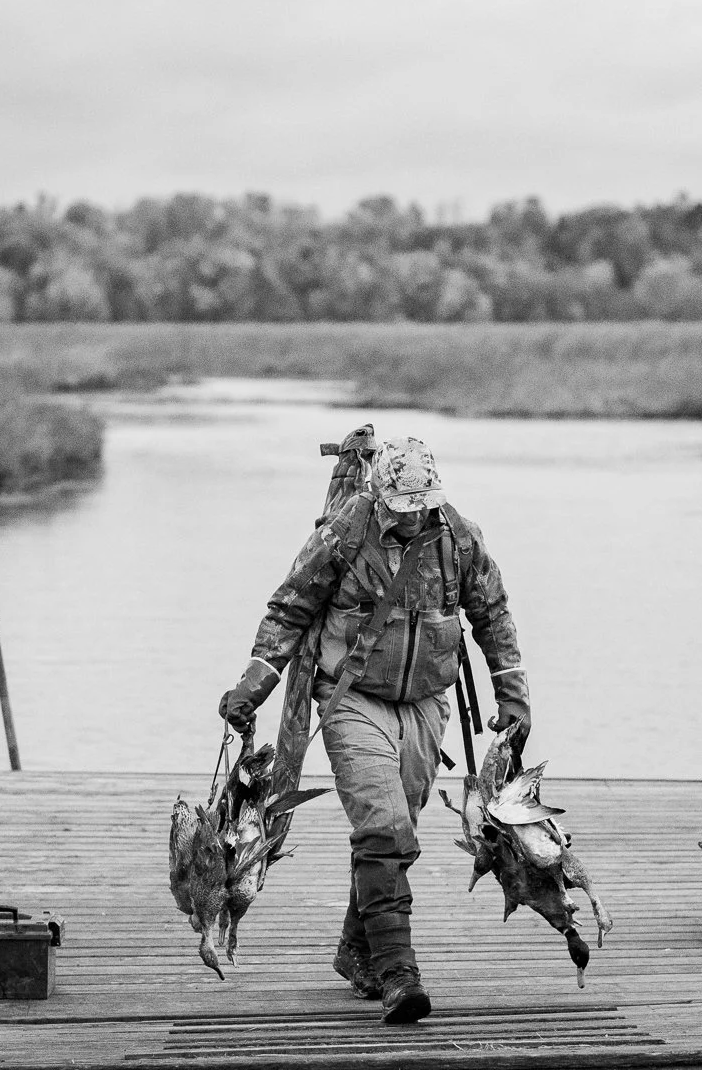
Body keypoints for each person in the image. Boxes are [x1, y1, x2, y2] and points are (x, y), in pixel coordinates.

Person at [218, 437, 528, 1024]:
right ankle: (398, 977)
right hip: (351, 698)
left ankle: (355, 952)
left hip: (426, 705)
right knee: (383, 829)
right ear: (382, 494)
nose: (414, 513)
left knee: (398, 832)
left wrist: (513, 697)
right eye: (403, 503)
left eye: (423, 503)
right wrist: (250, 687)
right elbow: (289, 609)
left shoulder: (458, 538)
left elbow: (493, 614)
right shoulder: (344, 533)